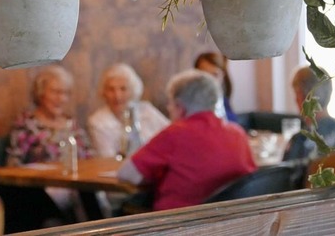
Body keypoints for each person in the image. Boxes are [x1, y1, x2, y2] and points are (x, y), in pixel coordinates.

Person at [117, 69, 257, 211]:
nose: (169, 109)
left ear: (179, 106)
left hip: (178, 222)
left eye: (170, 104)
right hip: (231, 221)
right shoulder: (237, 133)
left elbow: (127, 174)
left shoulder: (175, 133)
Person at [4, 65, 94, 226]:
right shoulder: (27, 124)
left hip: (78, 184)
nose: (61, 98)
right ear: (40, 93)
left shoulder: (71, 124)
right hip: (43, 190)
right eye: (55, 92)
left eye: (65, 93)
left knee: (92, 196)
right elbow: (13, 163)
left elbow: (90, 157)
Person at [87, 63, 169, 159]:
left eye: (123, 89)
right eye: (111, 89)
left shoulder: (147, 110)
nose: (117, 96)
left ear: (133, 90)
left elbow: (171, 136)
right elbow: (107, 158)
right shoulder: (98, 121)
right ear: (104, 92)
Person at [283, 65, 335, 161]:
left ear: (301, 97)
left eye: (296, 94)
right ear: (330, 92)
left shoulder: (300, 141)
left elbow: (286, 174)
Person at [194, 52, 238, 123]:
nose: (210, 80)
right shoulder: (189, 103)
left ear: (223, 75)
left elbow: (232, 123)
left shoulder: (223, 99)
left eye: (215, 75)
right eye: (204, 75)